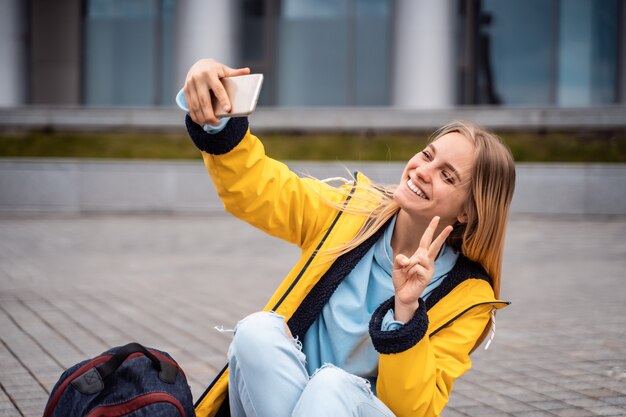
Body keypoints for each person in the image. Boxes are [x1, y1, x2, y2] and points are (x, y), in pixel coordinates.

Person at [180, 59, 516, 417]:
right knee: (256, 331)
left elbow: (412, 409)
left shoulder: (467, 295)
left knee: (332, 384)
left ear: (468, 211)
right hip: (285, 401)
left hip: (361, 408)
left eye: (447, 176)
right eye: (427, 155)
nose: (423, 171)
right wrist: (218, 120)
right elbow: (260, 190)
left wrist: (406, 313)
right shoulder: (351, 214)